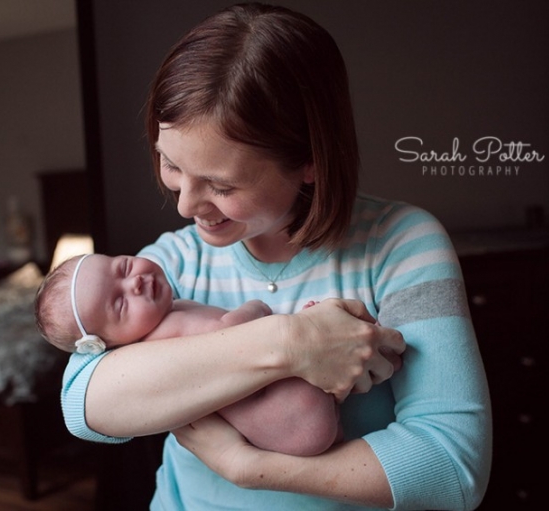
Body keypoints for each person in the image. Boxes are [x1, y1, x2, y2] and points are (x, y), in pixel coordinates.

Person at [60, 3, 492, 510]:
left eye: (221, 184)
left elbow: (451, 468)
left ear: (310, 160)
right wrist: (291, 341)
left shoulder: (400, 245)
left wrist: (251, 469)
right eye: (170, 163)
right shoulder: (169, 266)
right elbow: (83, 404)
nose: (184, 204)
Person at [35, 252, 343, 456]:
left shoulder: (171, 309)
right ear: (108, 343)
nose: (135, 281)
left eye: (124, 267)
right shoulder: (164, 335)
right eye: (120, 303)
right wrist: (257, 308)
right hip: (296, 418)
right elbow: (233, 332)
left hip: (296, 425)